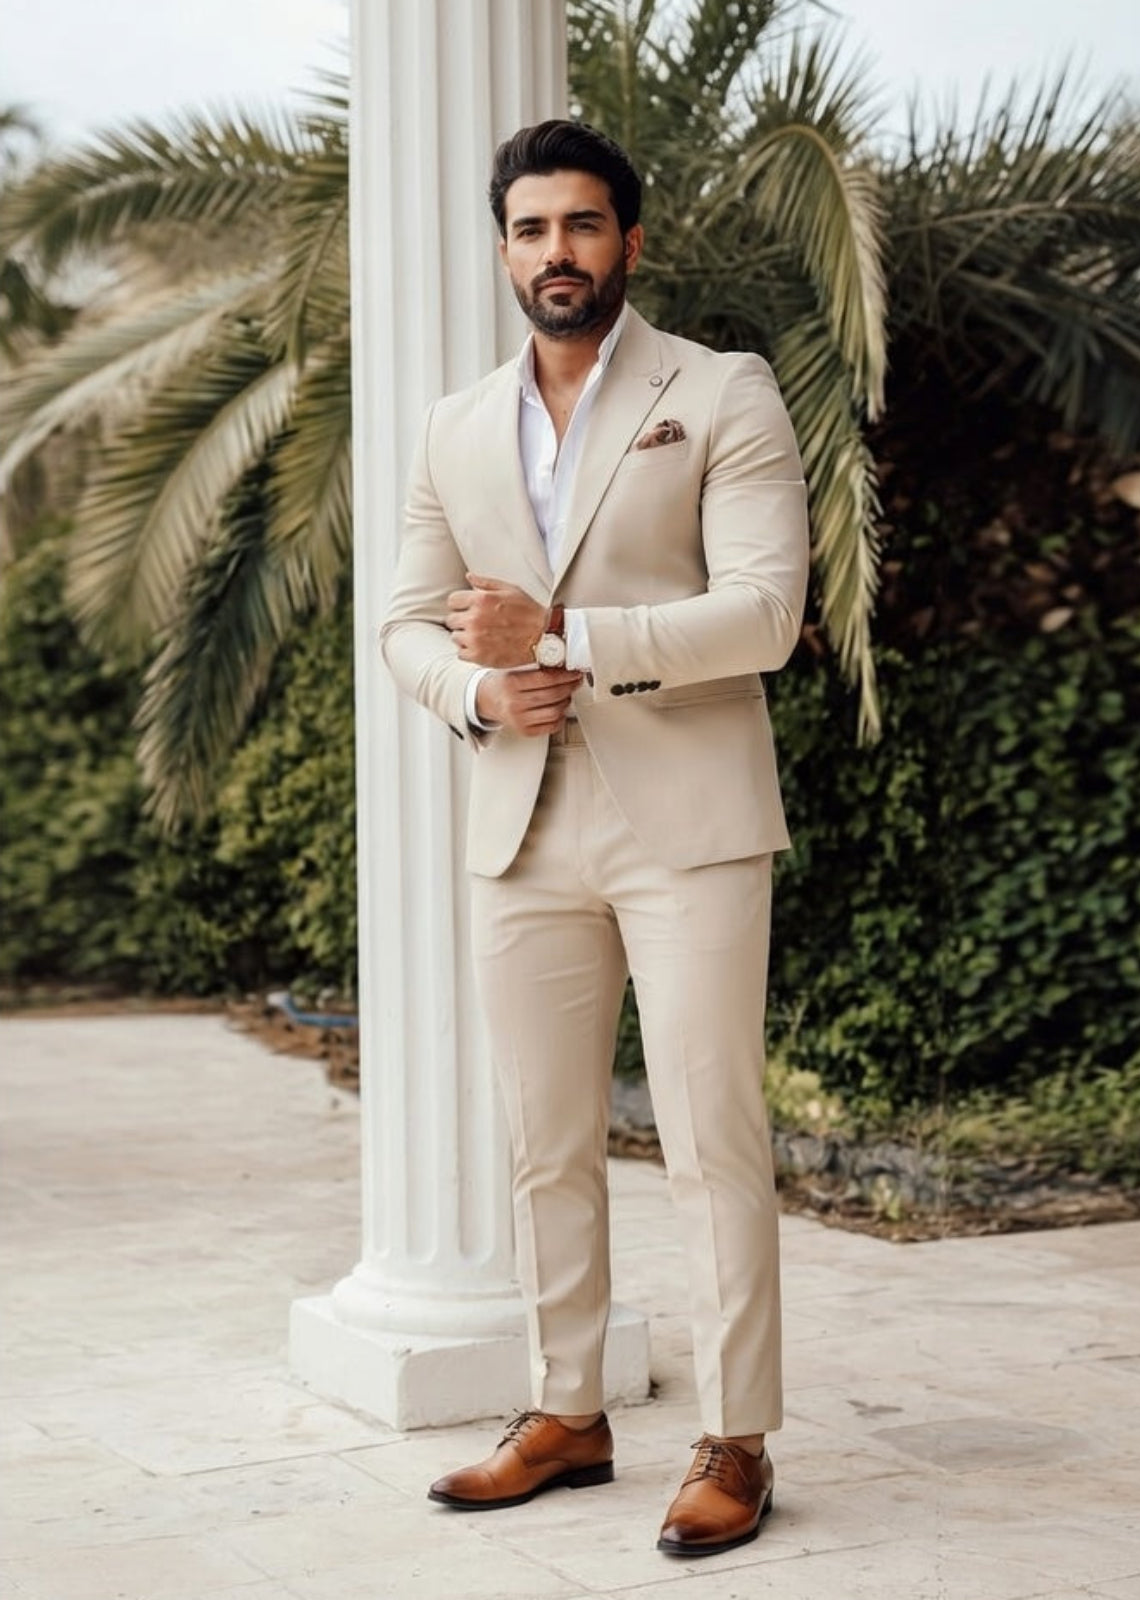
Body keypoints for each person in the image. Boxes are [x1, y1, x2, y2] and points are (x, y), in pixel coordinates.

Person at [379, 119, 809, 1558]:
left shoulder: (722, 390)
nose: (553, 253)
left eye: (579, 225)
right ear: (501, 248)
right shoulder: (451, 425)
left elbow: (767, 614)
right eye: (527, 229)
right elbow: (401, 623)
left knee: (709, 1140)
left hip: (688, 823)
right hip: (524, 817)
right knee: (545, 1141)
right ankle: (568, 1411)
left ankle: (737, 1439)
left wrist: (568, 634)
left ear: (629, 237)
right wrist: (477, 688)